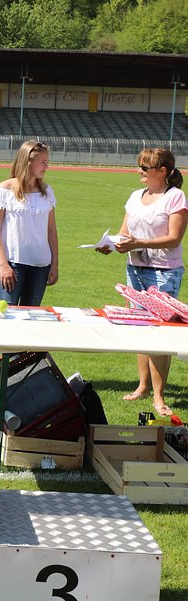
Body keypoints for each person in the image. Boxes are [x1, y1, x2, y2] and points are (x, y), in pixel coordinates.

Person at [97, 147, 188, 417]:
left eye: (145, 168)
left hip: (163, 272)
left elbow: (174, 238)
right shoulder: (135, 196)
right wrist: (111, 244)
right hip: (135, 269)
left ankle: (159, 397)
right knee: (139, 328)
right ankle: (143, 386)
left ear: (162, 172)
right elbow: (125, 233)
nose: (140, 171)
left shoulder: (175, 198)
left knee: (159, 334)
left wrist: (139, 243)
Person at [0, 140, 59, 306]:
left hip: (41, 267)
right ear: (28, 162)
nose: (46, 167)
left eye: (47, 162)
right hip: (13, 265)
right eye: (42, 162)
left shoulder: (47, 192)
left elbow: (51, 231)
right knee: (5, 318)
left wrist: (55, 264)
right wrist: (3, 265)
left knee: (31, 320)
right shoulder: (4, 190)